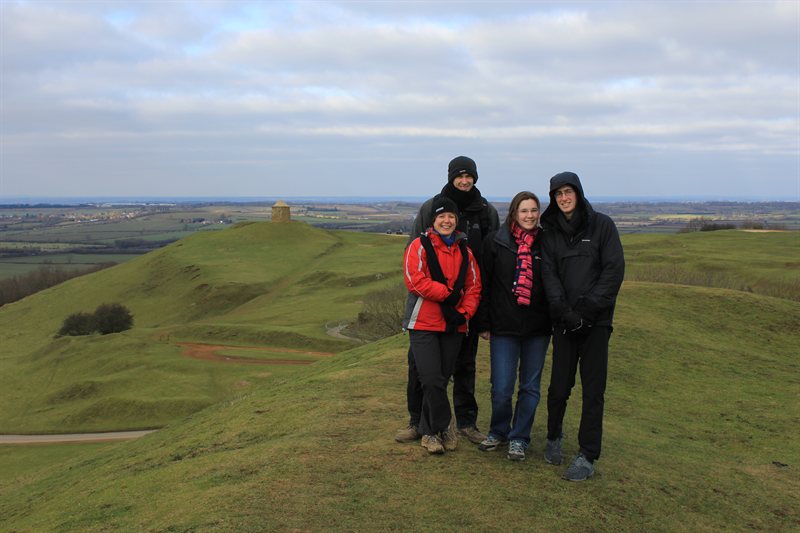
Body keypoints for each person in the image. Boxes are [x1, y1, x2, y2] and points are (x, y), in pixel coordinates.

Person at [395, 155, 499, 446]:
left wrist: (474, 308)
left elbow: (490, 261)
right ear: (451, 177)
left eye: (469, 176)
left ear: (475, 178)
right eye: (459, 175)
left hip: (468, 305)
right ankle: (418, 423)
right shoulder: (431, 207)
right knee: (420, 369)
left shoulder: (486, 211)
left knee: (464, 365)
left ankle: (465, 423)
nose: (464, 181)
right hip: (427, 308)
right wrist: (442, 296)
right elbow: (414, 254)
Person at [539, 171, 625, 481]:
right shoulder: (549, 233)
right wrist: (565, 312)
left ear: (578, 193)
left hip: (596, 324)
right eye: (557, 193)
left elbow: (613, 271)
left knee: (593, 392)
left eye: (568, 192)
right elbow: (548, 276)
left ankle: (587, 455)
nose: (563, 198)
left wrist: (586, 312)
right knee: (559, 387)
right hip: (564, 323)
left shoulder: (602, 226)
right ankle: (553, 438)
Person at [474, 191, 551, 462]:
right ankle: (498, 431)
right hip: (503, 326)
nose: (529, 215)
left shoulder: (546, 243)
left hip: (538, 328)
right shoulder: (496, 242)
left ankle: (519, 438)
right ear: (514, 214)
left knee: (530, 387)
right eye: (524, 211)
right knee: (502, 387)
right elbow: (483, 284)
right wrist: (483, 323)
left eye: (533, 210)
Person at [402, 195, 482, 454]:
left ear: (456, 221)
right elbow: (415, 280)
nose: (446, 221)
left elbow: (474, 286)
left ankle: (429, 433)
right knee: (431, 379)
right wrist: (447, 294)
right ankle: (443, 425)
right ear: (433, 220)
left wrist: (465, 312)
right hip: (424, 322)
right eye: (441, 216)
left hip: (454, 324)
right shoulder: (419, 246)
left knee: (442, 379)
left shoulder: (465, 251)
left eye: (451, 217)